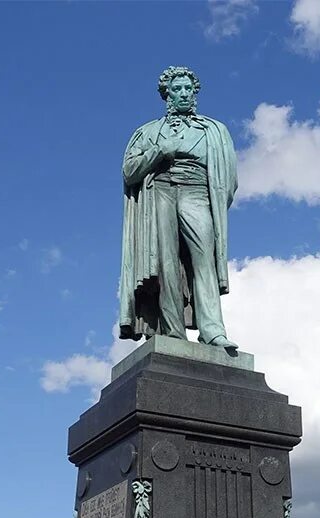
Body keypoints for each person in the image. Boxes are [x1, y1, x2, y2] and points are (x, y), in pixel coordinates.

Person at [119, 66, 239, 351]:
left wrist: (214, 202)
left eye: (188, 88)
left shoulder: (214, 130)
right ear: (167, 94)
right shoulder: (148, 132)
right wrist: (160, 151)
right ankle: (173, 333)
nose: (184, 93)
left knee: (204, 260)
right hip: (160, 191)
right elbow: (129, 171)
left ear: (194, 92)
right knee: (166, 263)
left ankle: (213, 331)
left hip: (197, 192)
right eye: (178, 89)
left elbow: (229, 178)